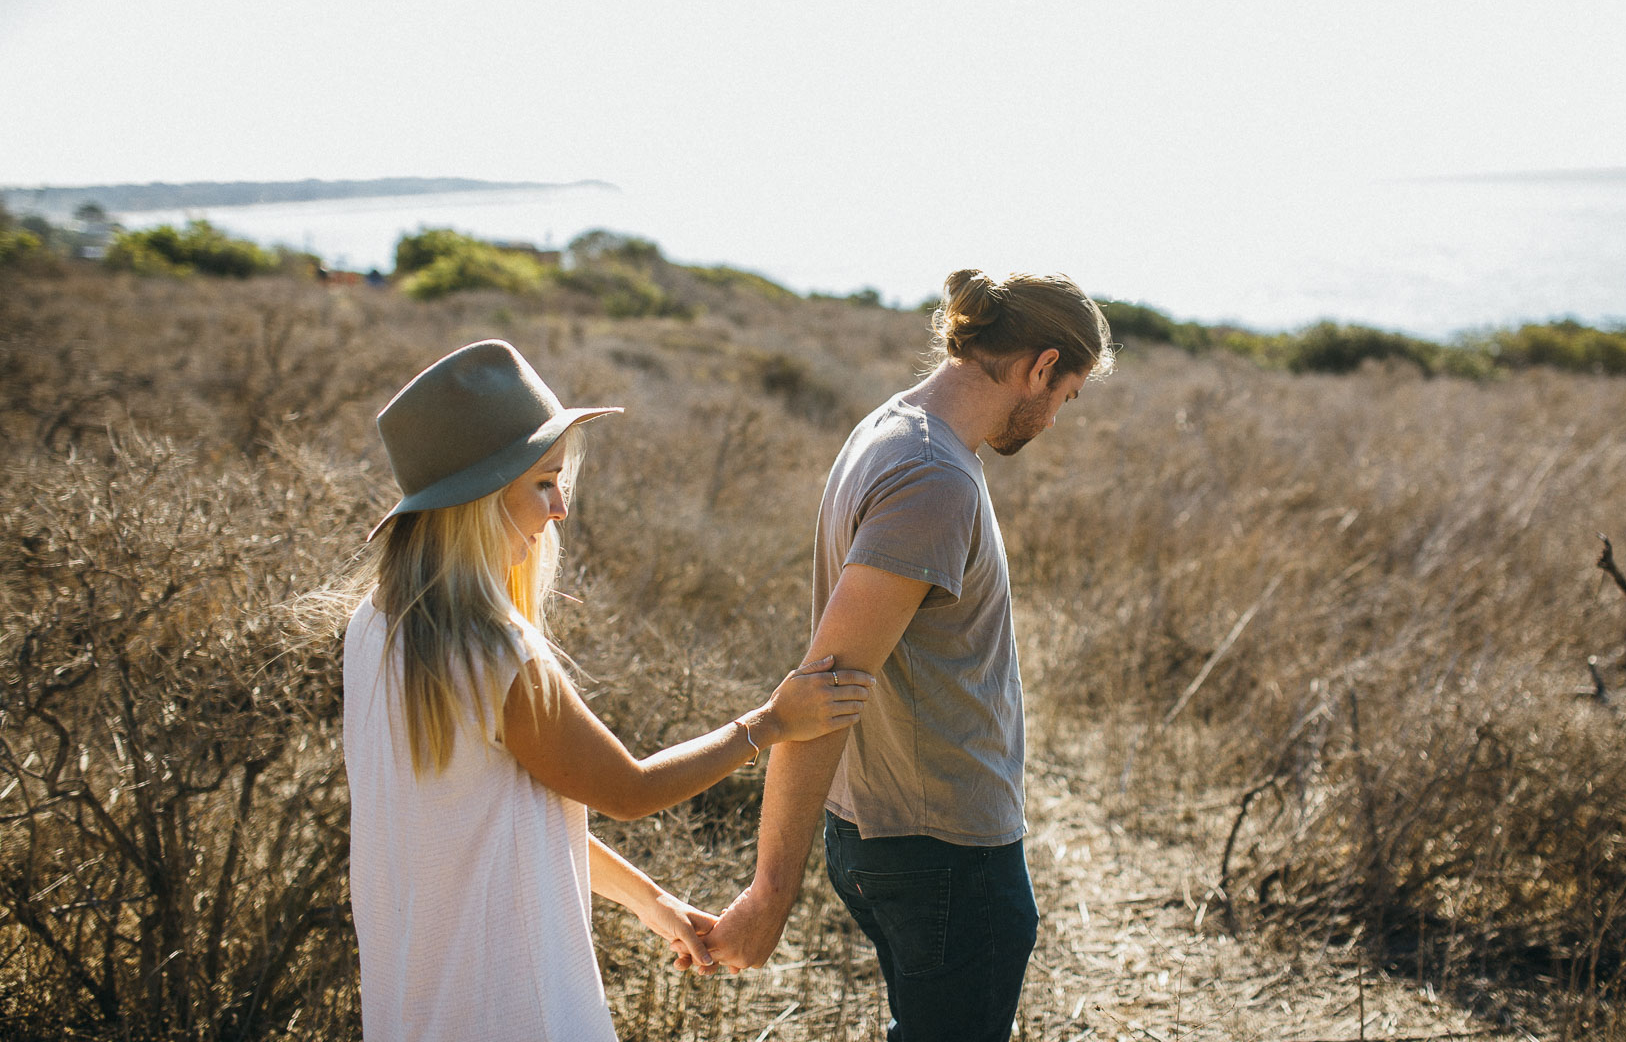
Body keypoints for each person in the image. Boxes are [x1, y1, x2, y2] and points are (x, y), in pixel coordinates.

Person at [341, 339, 873, 1041]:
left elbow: (502, 818)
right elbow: (626, 790)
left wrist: (648, 900)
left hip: (418, 1000)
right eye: (541, 482)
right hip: (518, 1002)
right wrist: (769, 723)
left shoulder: (374, 627)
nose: (561, 506)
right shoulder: (493, 651)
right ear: (476, 499)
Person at [703, 270, 1113, 1041]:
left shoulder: (894, 429)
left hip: (893, 835)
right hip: (943, 853)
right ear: (1041, 366)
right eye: (1069, 394)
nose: (1058, 417)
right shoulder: (934, 478)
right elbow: (825, 688)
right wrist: (768, 894)